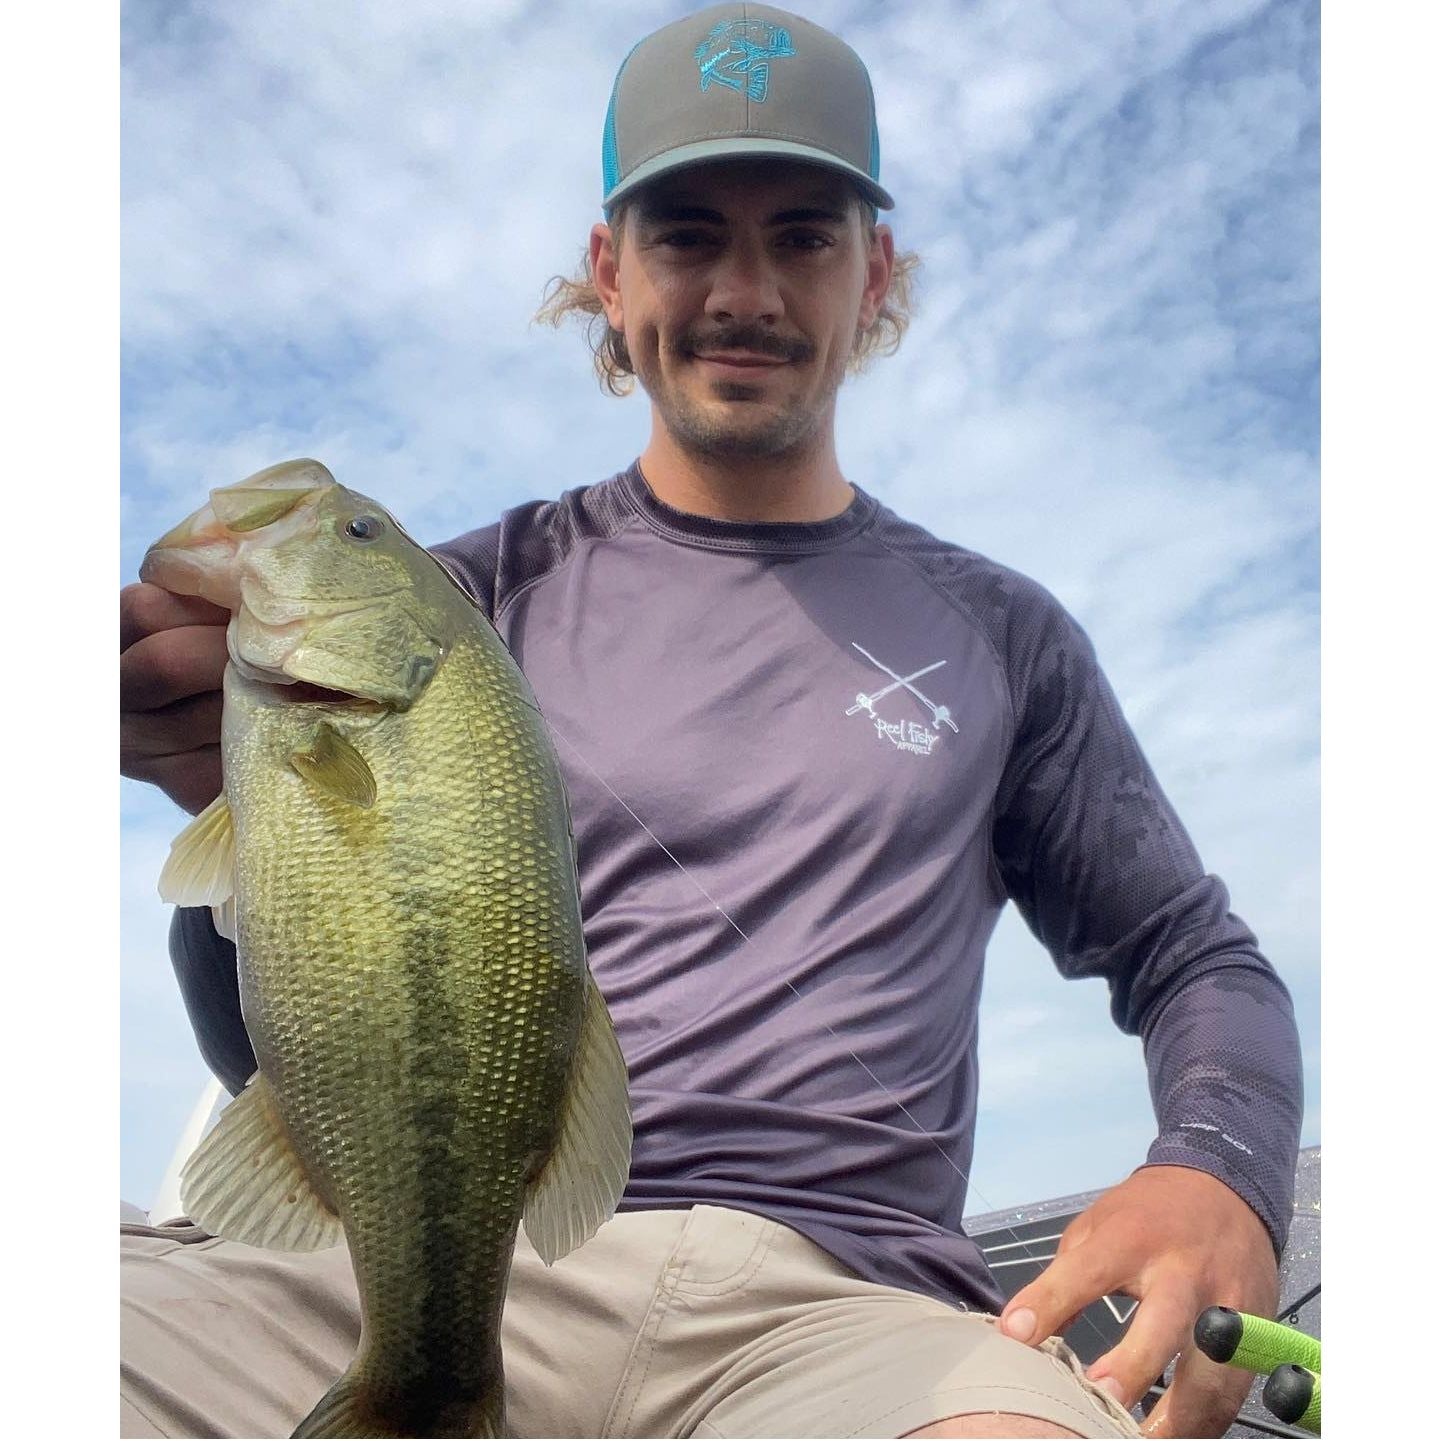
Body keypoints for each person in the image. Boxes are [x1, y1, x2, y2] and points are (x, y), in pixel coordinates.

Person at [118, 5, 1303, 1438]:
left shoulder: (1002, 632)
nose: (746, 285)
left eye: (804, 233)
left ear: (879, 275)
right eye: (687, 234)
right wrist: (240, 838)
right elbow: (285, 1046)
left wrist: (1222, 1160)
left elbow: (1191, 950)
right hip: (437, 1267)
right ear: (609, 275)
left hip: (848, 1311)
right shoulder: (462, 600)